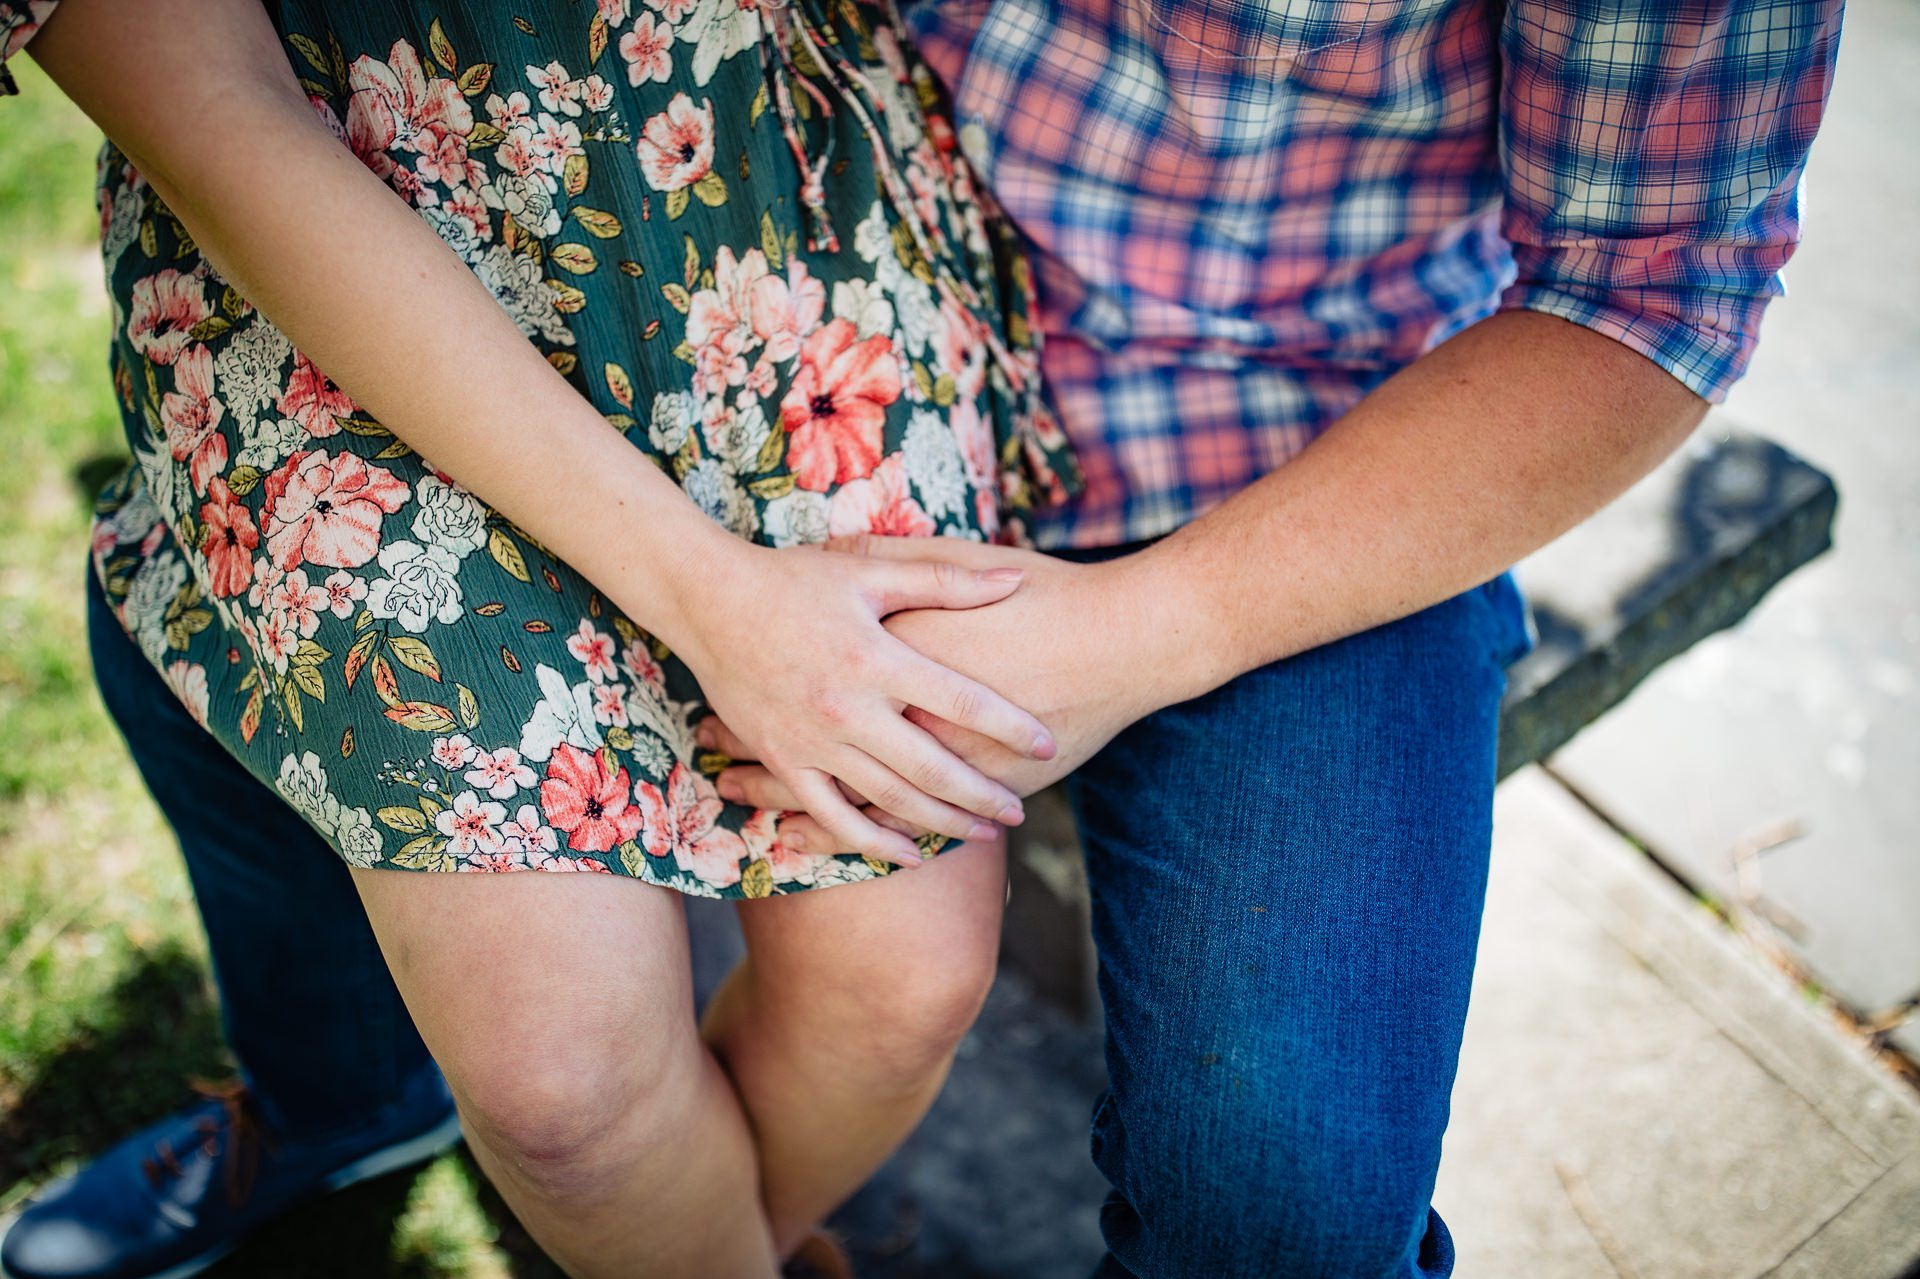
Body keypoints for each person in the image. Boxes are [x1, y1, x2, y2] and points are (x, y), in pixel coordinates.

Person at [1, 0, 1845, 1275]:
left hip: (1276, 451)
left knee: (1272, 1206)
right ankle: (350, 1103)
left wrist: (1149, 629)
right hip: (810, 301)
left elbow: (1647, 290)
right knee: (241, 722)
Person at [0, 0, 1081, 1276]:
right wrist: (713, 599)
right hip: (357, 293)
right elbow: (211, 113)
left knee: (898, 989)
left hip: (775, 225)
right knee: (563, 1095)